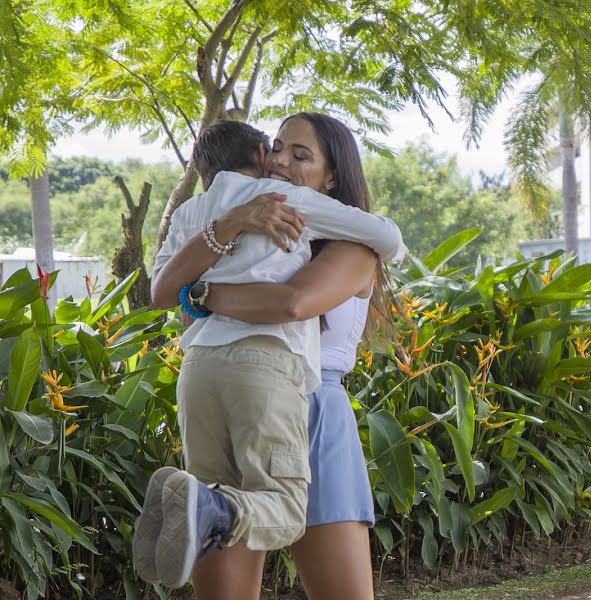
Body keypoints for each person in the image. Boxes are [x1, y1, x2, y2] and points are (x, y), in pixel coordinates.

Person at [136, 118, 405, 592]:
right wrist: (231, 226)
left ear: (332, 177)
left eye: (300, 157)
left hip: (314, 410)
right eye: (277, 150)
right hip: (251, 391)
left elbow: (289, 304)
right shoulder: (248, 225)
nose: (281, 162)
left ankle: (211, 507)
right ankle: (208, 507)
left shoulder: (352, 247)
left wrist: (201, 295)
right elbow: (165, 294)